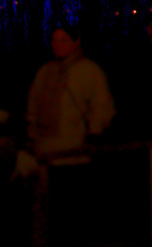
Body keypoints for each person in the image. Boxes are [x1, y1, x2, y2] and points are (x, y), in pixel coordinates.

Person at [23, 24, 116, 168]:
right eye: (55, 41)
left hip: (74, 150)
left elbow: (101, 106)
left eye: (63, 40)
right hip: (43, 150)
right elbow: (33, 105)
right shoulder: (45, 71)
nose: (57, 45)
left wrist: (94, 134)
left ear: (76, 43)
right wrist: (30, 135)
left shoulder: (89, 70)